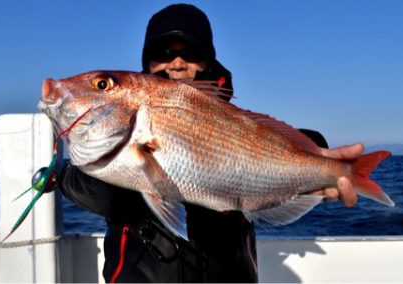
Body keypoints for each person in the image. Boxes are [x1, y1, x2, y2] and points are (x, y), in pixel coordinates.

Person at [59, 4, 362, 282]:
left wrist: (316, 155)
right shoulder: (117, 132)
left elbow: (264, 144)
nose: (177, 63)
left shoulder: (232, 120)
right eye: (163, 51)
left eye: (190, 52)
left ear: (208, 61)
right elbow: (85, 187)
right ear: (146, 63)